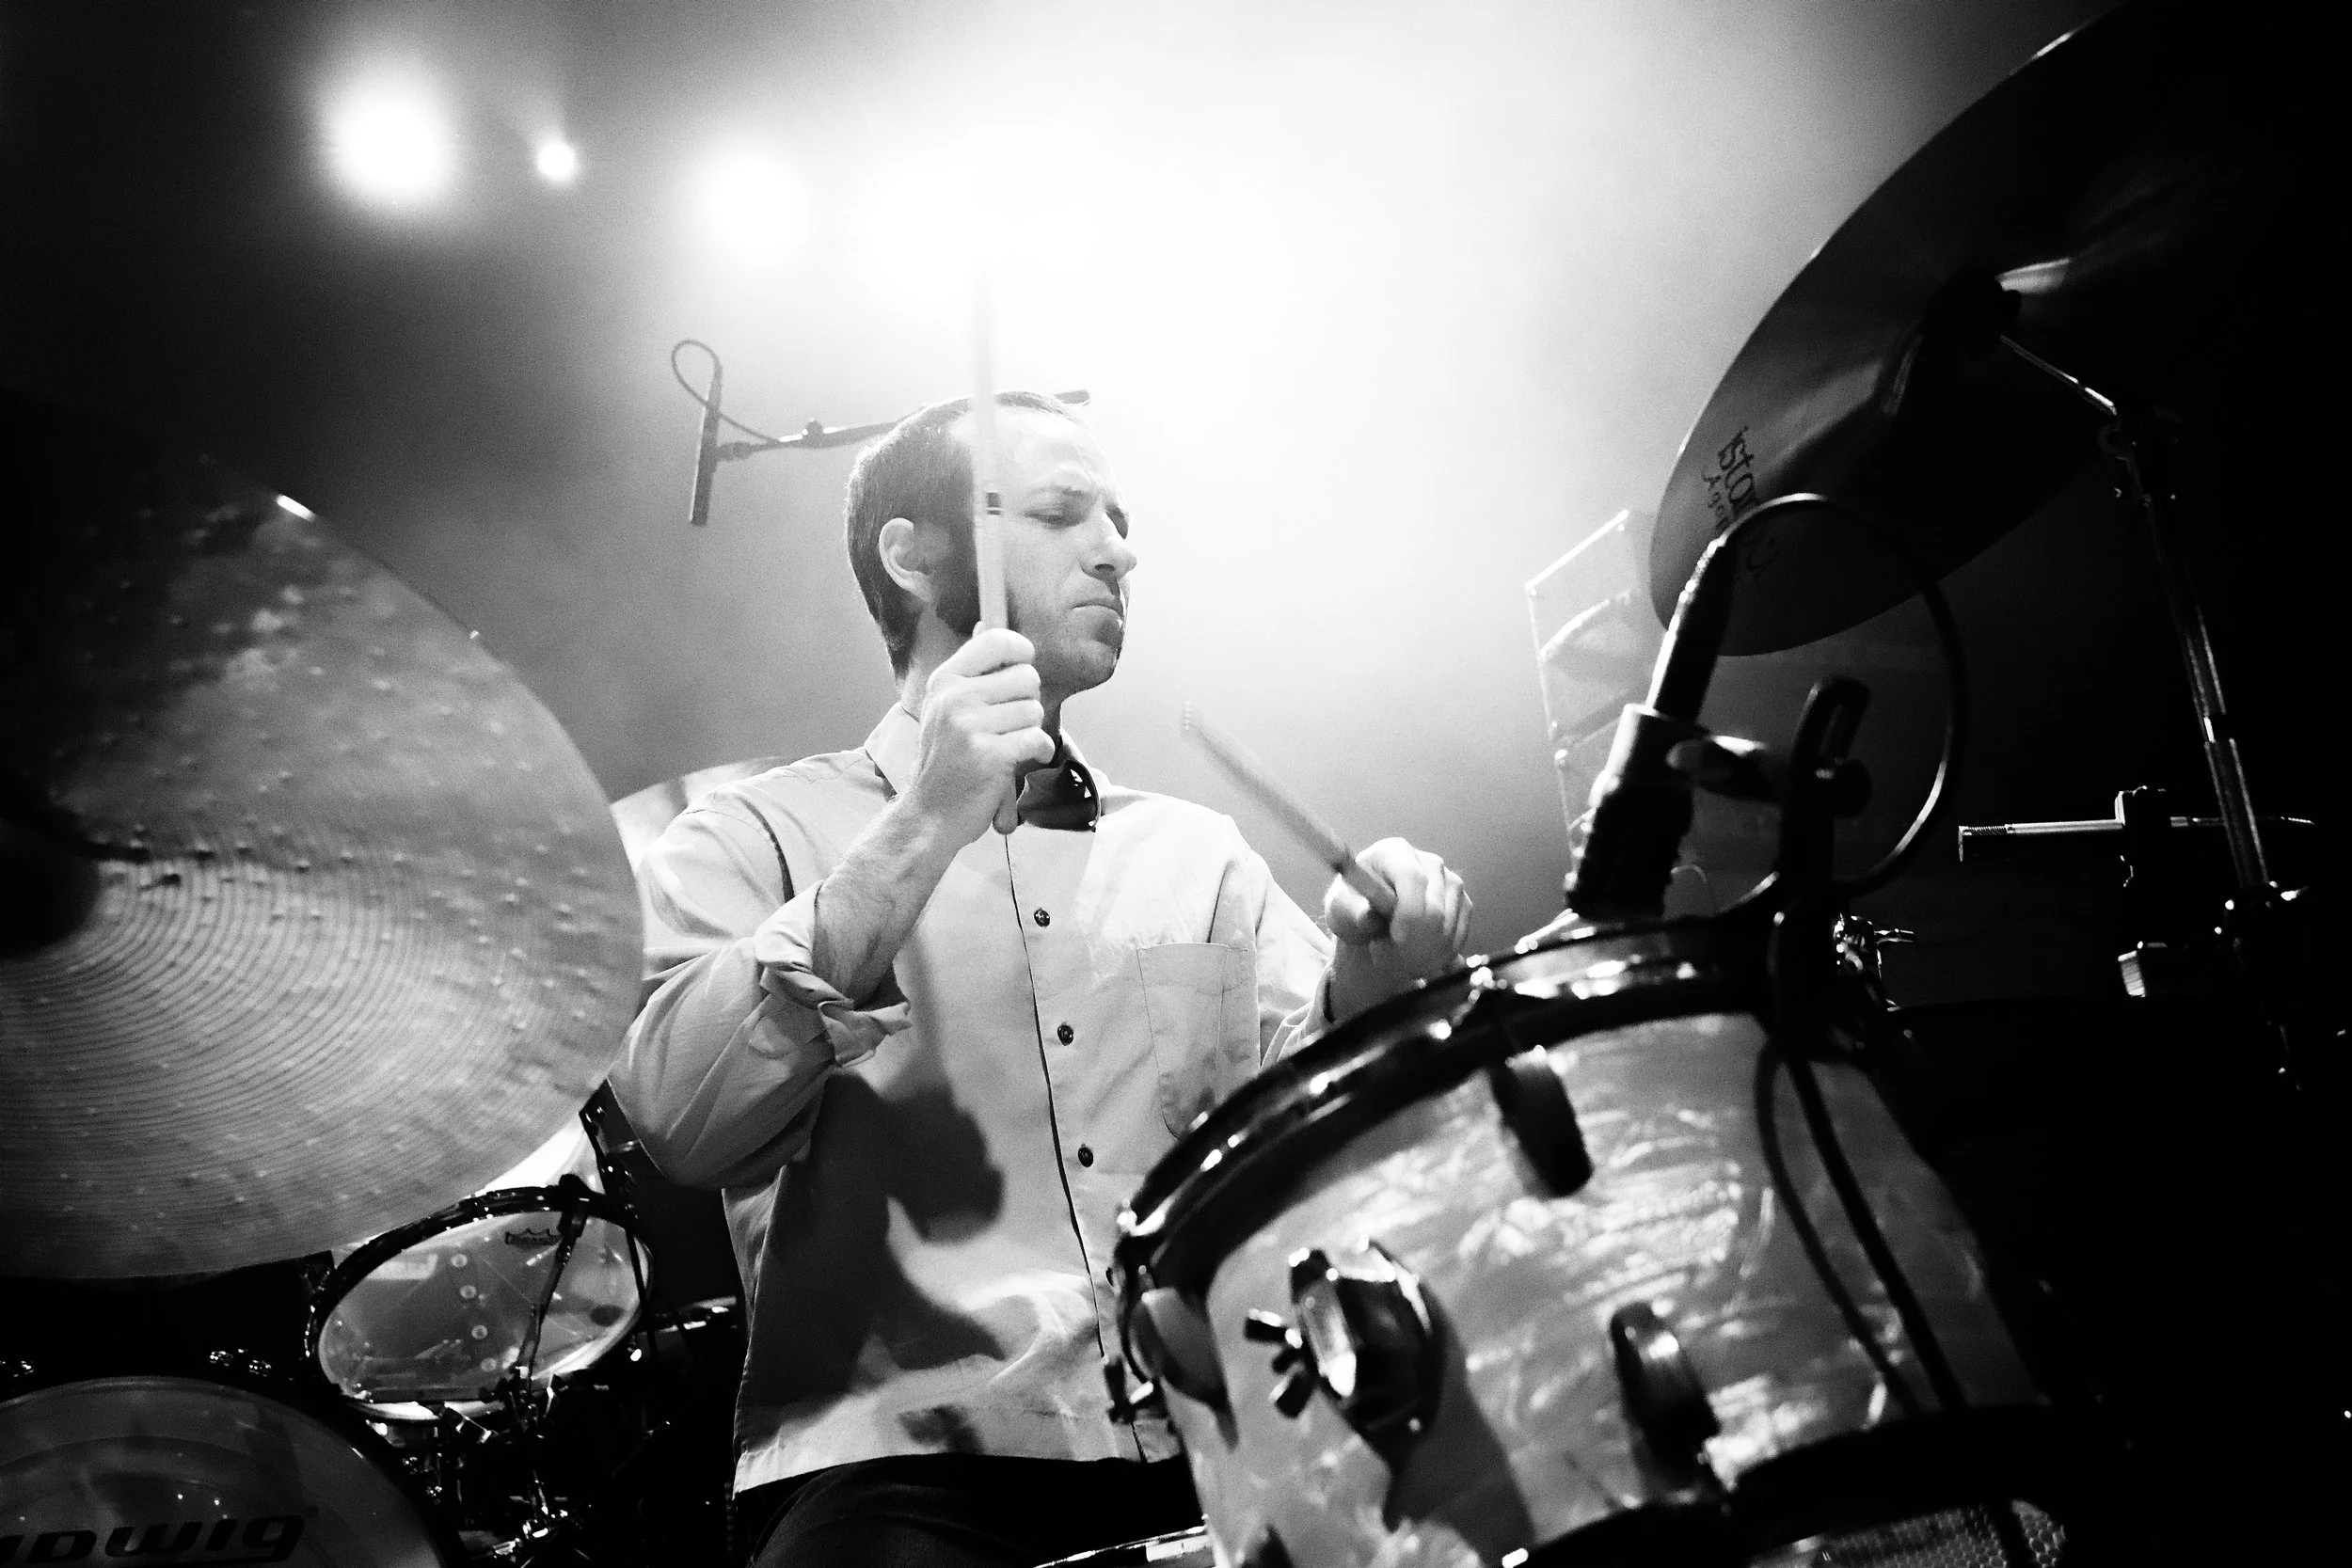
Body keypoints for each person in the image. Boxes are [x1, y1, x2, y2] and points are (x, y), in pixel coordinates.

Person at [610, 391, 1471, 1567]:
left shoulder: (1199, 851)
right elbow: (681, 1119)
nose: (1120, 548)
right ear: (912, 558)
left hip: (1225, 1433)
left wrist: (1373, 986)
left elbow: (1305, 1149)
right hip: (901, 1459)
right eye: (1066, 512)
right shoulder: (745, 837)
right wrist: (924, 821)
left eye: (1120, 518)